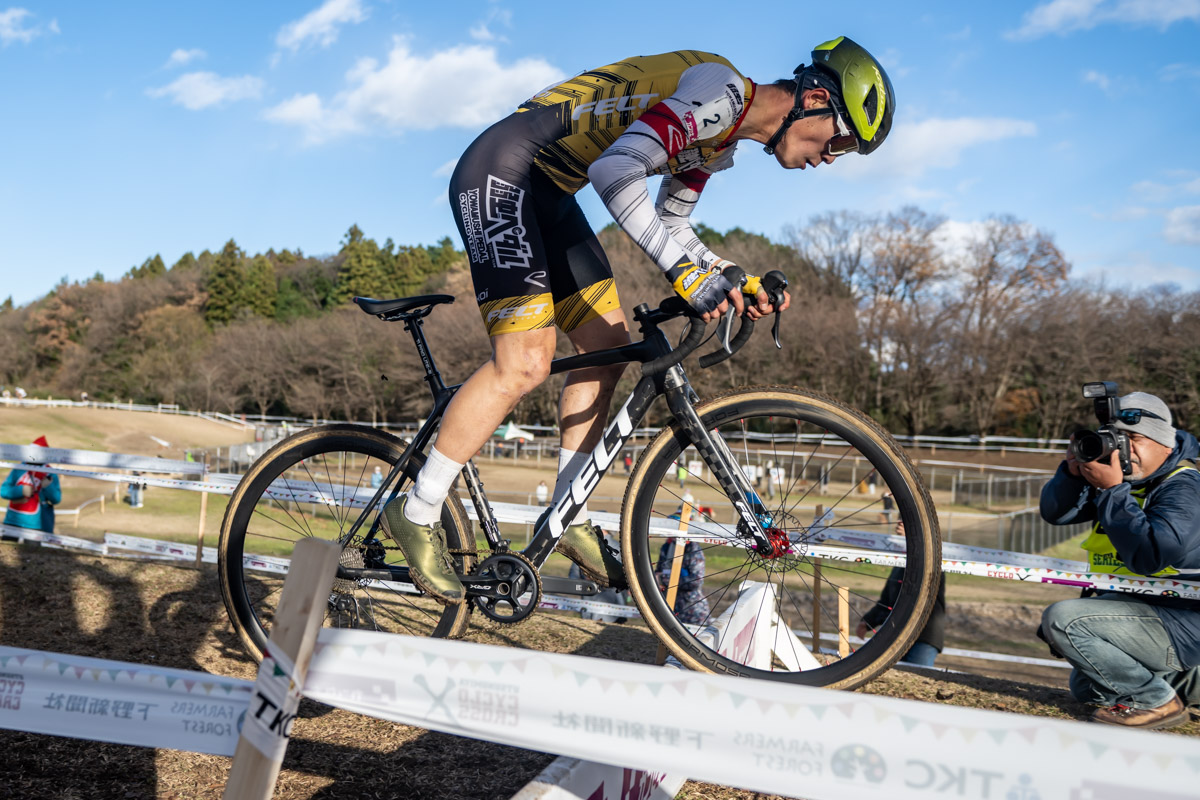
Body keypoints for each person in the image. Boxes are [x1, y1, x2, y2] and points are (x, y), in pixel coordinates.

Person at [379, 37, 894, 605]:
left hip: (548, 192)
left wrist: (728, 275)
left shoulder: (720, 139)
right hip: (502, 172)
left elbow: (673, 225)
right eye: (841, 140)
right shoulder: (720, 92)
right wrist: (685, 275)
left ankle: (564, 511)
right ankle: (416, 509)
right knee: (525, 363)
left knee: (611, 346)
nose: (832, 157)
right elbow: (615, 171)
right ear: (816, 99)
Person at [1038, 391, 1200, 729]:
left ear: (1164, 445)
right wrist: (1071, 473)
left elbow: (1151, 554)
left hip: (1186, 621)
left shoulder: (1183, 487)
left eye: (1134, 439)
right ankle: (1185, 684)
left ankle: (1157, 701)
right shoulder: (1128, 482)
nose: (1124, 449)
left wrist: (1113, 493)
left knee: (1065, 620)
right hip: (1150, 614)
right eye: (1117, 440)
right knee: (1085, 685)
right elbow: (1056, 513)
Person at [2, 436, 62, 538]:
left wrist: (48, 487)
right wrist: (21, 490)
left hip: (36, 526)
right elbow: (3, 491)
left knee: (33, 552)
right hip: (12, 521)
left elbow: (56, 499)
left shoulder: (50, 473)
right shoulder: (19, 468)